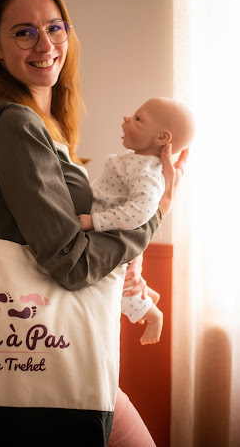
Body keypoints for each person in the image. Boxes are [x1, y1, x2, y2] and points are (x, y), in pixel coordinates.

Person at [0, 0, 188, 446]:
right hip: (39, 357)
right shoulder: (19, 124)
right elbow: (73, 262)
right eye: (24, 32)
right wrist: (157, 208)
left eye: (55, 27)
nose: (45, 44)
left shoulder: (48, 125)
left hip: (53, 348)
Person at [79, 97, 195, 345]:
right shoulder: (136, 161)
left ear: (161, 138)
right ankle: (147, 291)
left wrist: (94, 221)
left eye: (138, 119)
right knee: (126, 280)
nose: (127, 119)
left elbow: (139, 213)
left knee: (116, 288)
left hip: (114, 235)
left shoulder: (147, 172)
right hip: (113, 235)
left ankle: (153, 315)